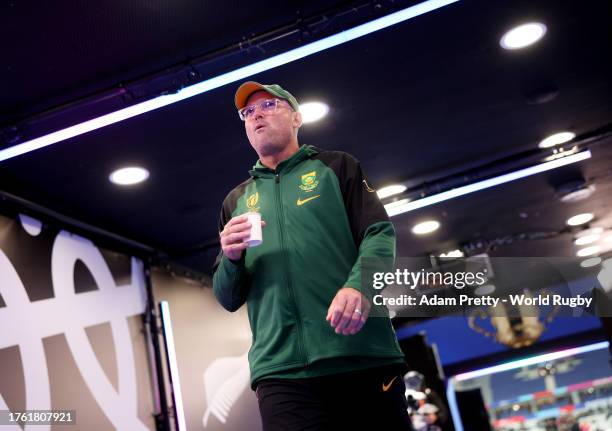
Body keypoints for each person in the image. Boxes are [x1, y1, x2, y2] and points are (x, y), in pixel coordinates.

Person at [212, 81, 412, 430]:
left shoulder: (336, 168)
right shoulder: (236, 202)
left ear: (296, 118)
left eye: (269, 105)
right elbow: (227, 297)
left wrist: (360, 286)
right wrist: (230, 259)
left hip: (360, 356)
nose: (256, 115)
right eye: (247, 112)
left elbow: (379, 234)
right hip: (281, 373)